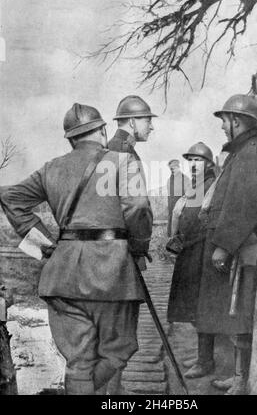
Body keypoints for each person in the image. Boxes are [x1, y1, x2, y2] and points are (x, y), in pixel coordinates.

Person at [0, 103, 153, 395]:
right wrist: (136, 247)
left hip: (62, 275)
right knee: (117, 351)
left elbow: (11, 200)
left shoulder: (50, 168)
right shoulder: (123, 162)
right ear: (105, 130)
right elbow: (137, 207)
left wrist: (47, 247)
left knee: (79, 361)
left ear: (71, 138)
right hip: (113, 275)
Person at [195, 94, 257, 395]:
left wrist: (224, 246)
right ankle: (239, 375)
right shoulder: (242, 153)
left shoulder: (251, 154)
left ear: (237, 121)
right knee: (235, 313)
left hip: (246, 250)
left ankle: (242, 381)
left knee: (242, 314)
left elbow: (243, 206)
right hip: (241, 247)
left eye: (225, 121)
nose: (222, 127)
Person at [107, 95, 156, 394]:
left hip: (101, 255)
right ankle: (114, 394)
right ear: (131, 121)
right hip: (121, 256)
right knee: (120, 334)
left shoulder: (105, 151)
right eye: (147, 120)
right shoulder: (126, 154)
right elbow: (137, 206)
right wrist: (138, 249)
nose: (151, 126)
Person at [166, 143, 215, 375]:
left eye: (198, 160)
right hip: (191, 251)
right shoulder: (196, 185)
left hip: (203, 252)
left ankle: (206, 362)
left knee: (202, 307)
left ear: (209, 163)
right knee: (195, 307)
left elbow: (205, 219)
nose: (194, 165)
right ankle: (202, 358)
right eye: (191, 161)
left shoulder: (212, 185)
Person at [167, 160, 189, 237]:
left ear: (178, 167)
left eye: (173, 168)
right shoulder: (169, 180)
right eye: (171, 169)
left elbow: (187, 195)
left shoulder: (185, 179)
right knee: (171, 233)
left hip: (180, 209)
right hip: (171, 207)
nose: (172, 171)